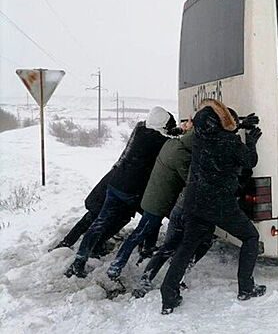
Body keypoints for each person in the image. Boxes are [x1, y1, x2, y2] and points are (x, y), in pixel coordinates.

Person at [160, 99, 264, 314]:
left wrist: (241, 124)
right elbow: (249, 161)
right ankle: (246, 287)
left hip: (195, 201)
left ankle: (168, 295)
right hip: (219, 203)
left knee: (187, 247)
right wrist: (251, 141)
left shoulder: (200, 136)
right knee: (250, 237)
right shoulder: (230, 142)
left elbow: (219, 129)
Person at [65, 106, 176, 278]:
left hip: (115, 184)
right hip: (131, 191)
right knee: (152, 214)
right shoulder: (157, 141)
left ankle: (78, 262)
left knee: (98, 224)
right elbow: (173, 142)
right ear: (162, 125)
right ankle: (146, 249)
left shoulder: (140, 129)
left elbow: (164, 132)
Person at [106, 122, 194, 280]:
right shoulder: (182, 155)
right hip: (158, 202)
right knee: (138, 234)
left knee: (144, 230)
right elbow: (191, 180)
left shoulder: (172, 144)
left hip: (152, 196)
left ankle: (147, 249)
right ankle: (116, 266)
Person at [51, 170, 137, 257]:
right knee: (111, 222)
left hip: (105, 190)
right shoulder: (142, 168)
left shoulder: (128, 161)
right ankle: (95, 247)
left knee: (89, 219)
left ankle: (66, 243)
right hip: (113, 197)